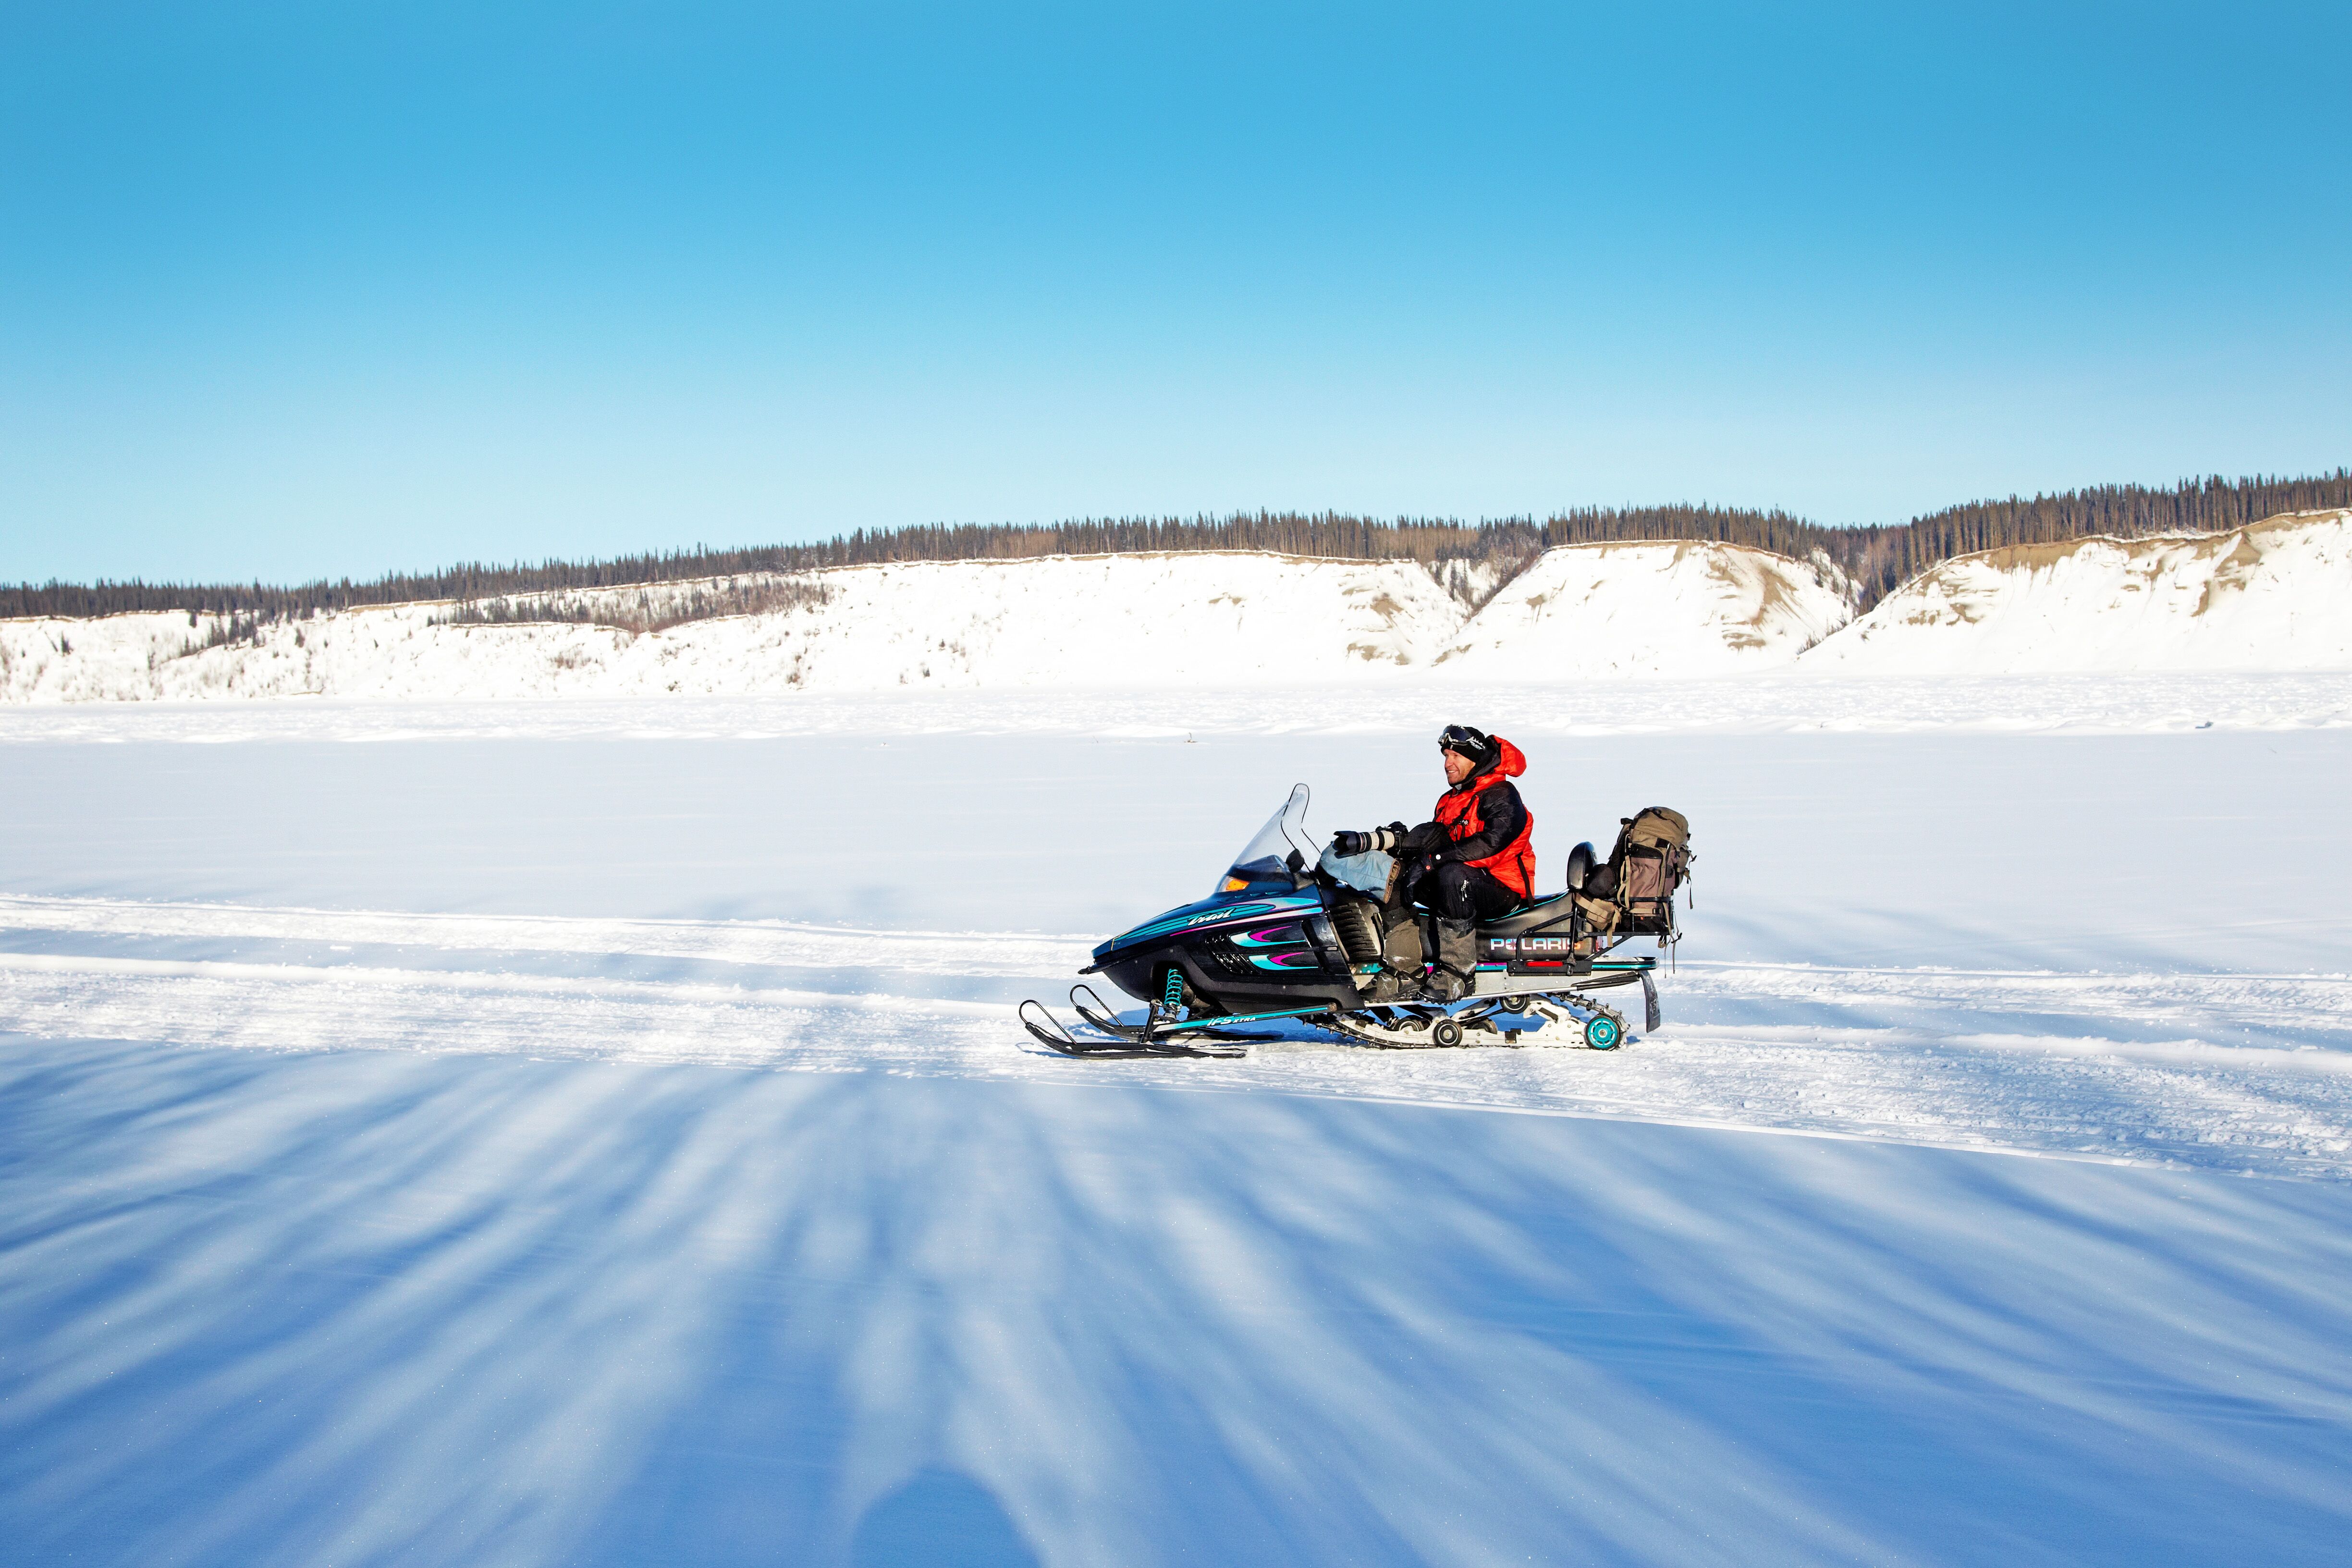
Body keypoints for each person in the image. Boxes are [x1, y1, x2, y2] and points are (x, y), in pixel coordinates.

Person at [1333, 724, 1535, 1001]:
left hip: (1502, 890)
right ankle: (1405, 971)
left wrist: (1434, 860)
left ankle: (1458, 973)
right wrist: (1402, 847)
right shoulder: (1451, 798)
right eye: (1445, 756)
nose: (1447, 764)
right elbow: (1439, 840)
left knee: (1453, 874)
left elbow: (1494, 844)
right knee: (1397, 876)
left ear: (1474, 758)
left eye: (1455, 757)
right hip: (1456, 882)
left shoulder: (1501, 793)